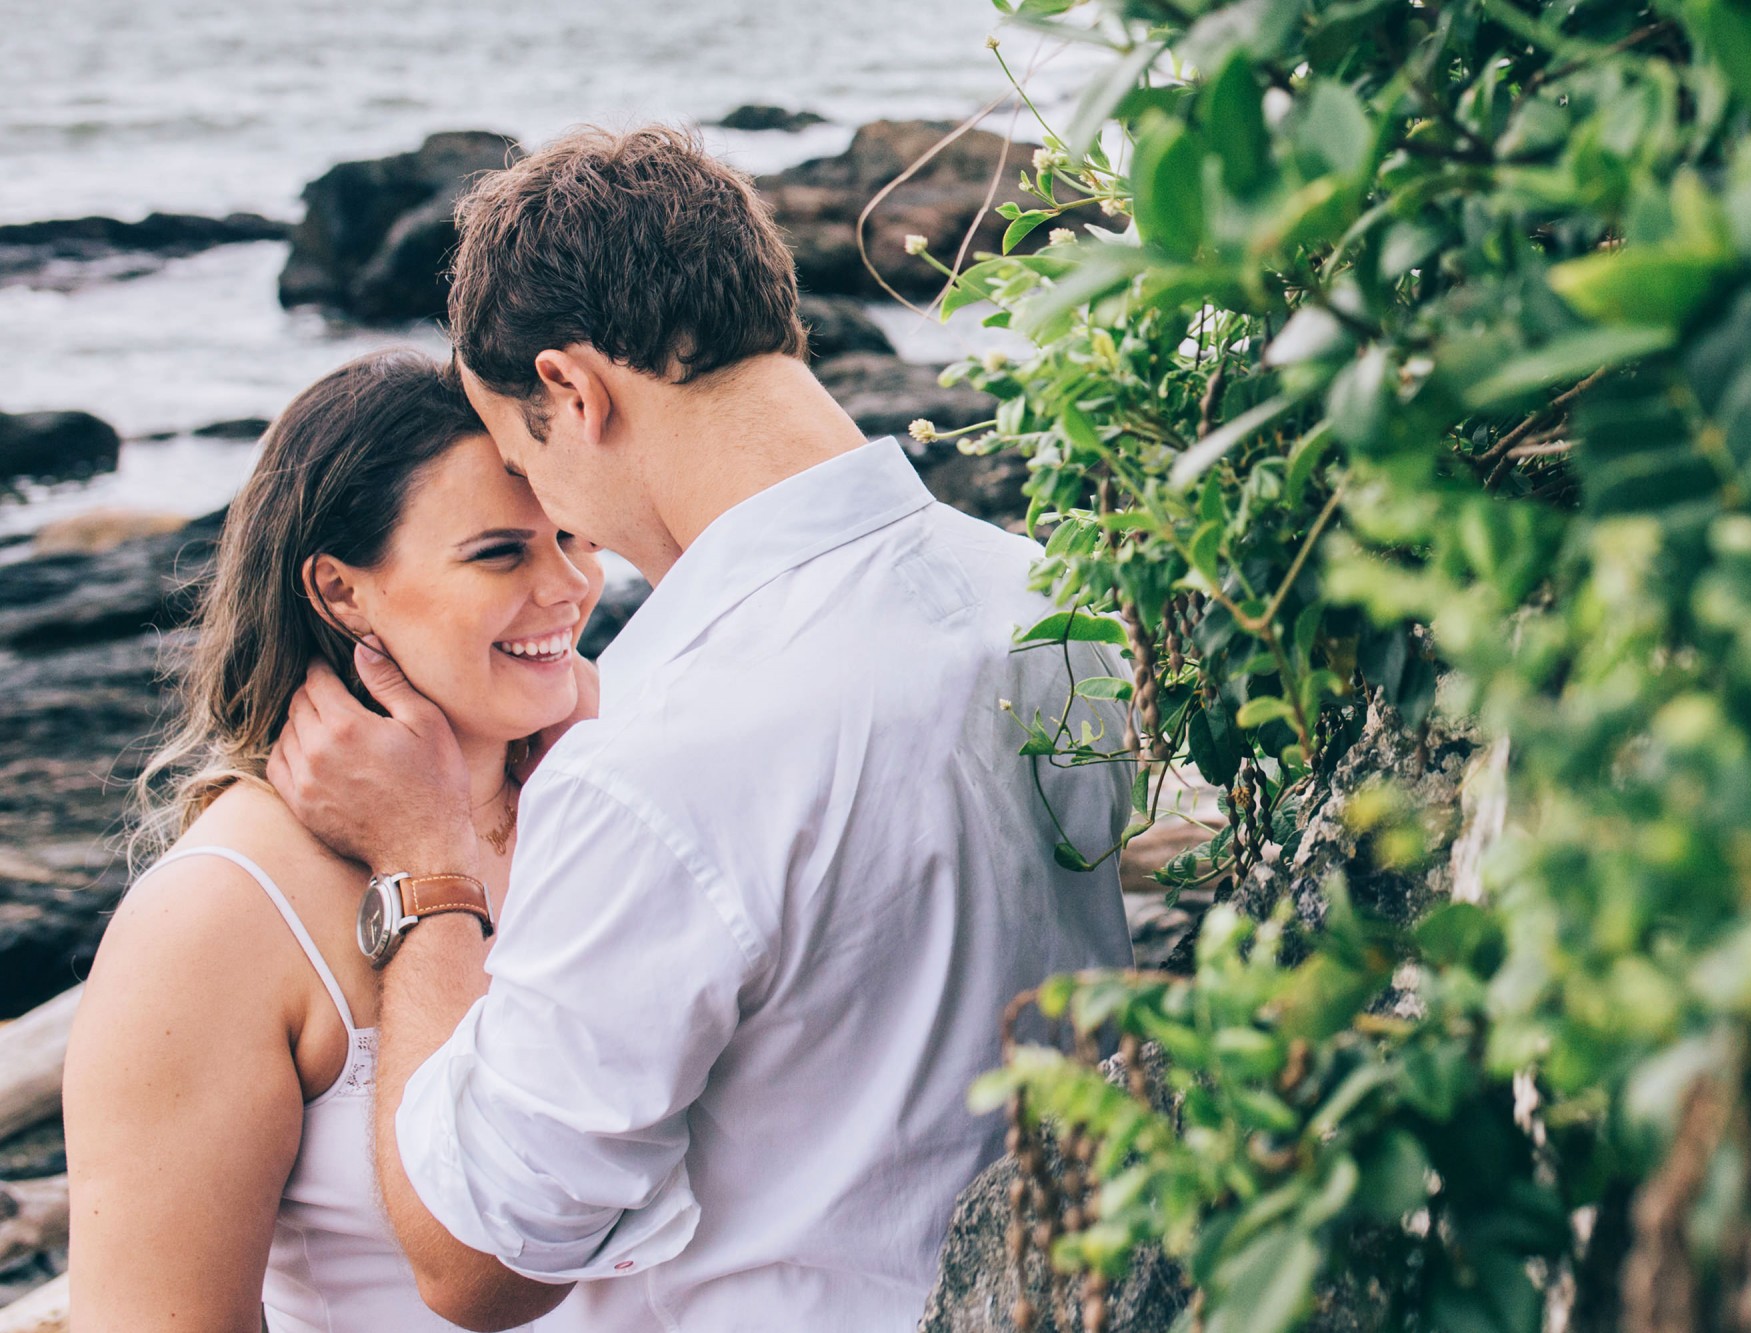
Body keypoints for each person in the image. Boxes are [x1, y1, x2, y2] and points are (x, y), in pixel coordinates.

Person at [265, 124, 1136, 1330]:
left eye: (524, 455)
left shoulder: (660, 757)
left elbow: (479, 1262)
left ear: (570, 392)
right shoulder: (1044, 595)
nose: (556, 521)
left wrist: (426, 869)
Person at [62, 350, 608, 1332]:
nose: (569, 585)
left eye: (573, 536)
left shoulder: (614, 794)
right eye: (499, 552)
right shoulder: (216, 916)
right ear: (342, 593)